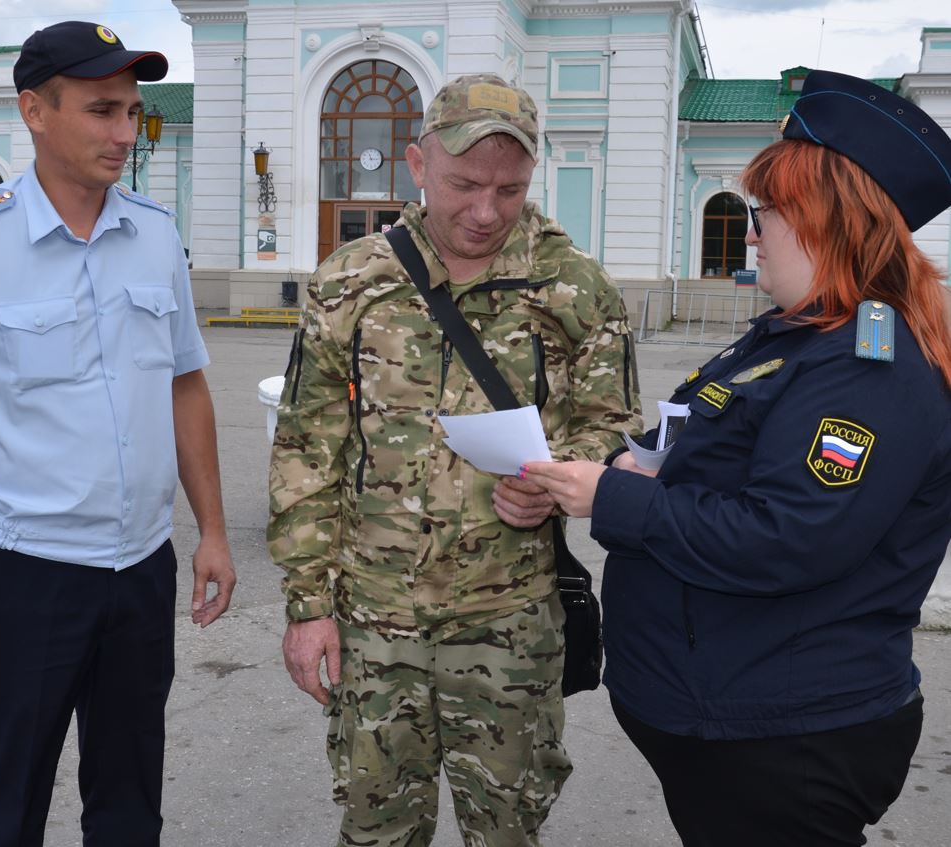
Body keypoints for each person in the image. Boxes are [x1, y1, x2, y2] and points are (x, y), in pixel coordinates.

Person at [516, 69, 951, 846]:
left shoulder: (864, 367)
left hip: (785, 736)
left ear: (826, 221)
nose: (749, 234)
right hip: (731, 715)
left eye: (763, 215)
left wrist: (610, 499)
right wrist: (627, 465)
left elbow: (788, 534)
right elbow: (706, 447)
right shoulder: (797, 333)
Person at [268, 73, 642, 846]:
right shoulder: (351, 283)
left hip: (506, 623)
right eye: (464, 183)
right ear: (416, 163)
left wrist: (558, 484)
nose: (485, 211)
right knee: (378, 829)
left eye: (510, 189)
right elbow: (308, 450)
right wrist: (308, 608)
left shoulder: (576, 289)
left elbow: (612, 430)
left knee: (507, 829)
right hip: (375, 623)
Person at [0, 21, 236, 846]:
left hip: (140, 570)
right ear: (35, 111)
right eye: (102, 111)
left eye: (133, 114)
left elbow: (186, 385)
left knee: (128, 808)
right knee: (6, 809)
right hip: (23, 578)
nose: (125, 134)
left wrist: (213, 530)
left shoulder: (154, 235)